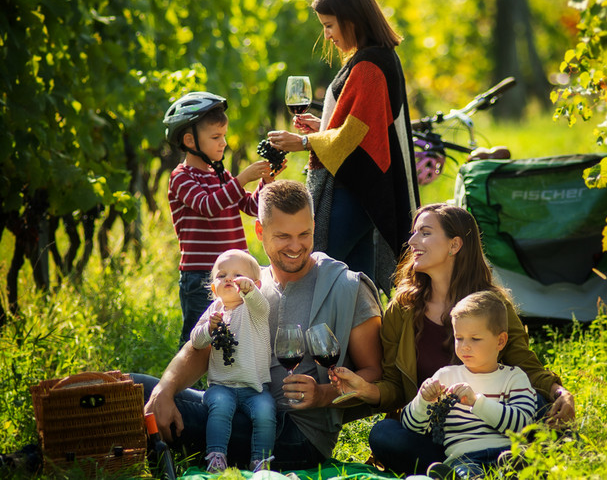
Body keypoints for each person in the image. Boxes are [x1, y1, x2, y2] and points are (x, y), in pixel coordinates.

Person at [138, 179, 383, 471]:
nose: (296, 246)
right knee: (141, 389)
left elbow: (374, 373)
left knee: (138, 398)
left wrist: (321, 395)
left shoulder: (345, 287)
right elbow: (199, 349)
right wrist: (164, 391)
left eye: (304, 234)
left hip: (295, 434)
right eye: (283, 236)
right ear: (260, 231)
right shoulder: (249, 286)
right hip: (236, 404)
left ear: (314, 226)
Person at [333, 203, 576, 475]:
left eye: (424, 233)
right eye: (414, 233)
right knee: (384, 434)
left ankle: (497, 462)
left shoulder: (492, 305)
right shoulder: (402, 309)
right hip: (441, 435)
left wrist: (560, 392)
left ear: (455, 245)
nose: (412, 241)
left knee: (543, 407)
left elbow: (526, 367)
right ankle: (466, 467)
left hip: (499, 425)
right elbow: (395, 386)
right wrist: (367, 390)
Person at [267, 0, 419, 292]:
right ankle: (359, 343)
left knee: (317, 270)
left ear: (350, 20)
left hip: (354, 189)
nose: (327, 35)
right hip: (367, 191)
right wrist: (323, 129)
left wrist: (305, 142)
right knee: (359, 285)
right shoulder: (380, 57)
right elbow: (363, 129)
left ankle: (308, 340)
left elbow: (353, 135)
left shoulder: (368, 66)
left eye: (329, 25)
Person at [164, 91, 274, 346]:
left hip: (234, 273)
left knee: (235, 334)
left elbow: (252, 206)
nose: (223, 143)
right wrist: (243, 178)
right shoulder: (181, 177)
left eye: (223, 136)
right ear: (190, 141)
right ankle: (185, 385)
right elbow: (207, 206)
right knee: (197, 339)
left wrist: (265, 182)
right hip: (202, 275)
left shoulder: (221, 176)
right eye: (215, 137)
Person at [402, 291, 538, 480]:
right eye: (459, 338)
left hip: (506, 452)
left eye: (475, 339)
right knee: (466, 472)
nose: (465, 346)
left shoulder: (513, 377)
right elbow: (413, 427)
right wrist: (423, 400)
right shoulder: (446, 376)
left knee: (515, 462)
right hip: (463, 457)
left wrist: (477, 402)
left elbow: (523, 424)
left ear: (500, 341)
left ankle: (512, 472)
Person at [189, 249, 275, 473]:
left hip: (255, 388)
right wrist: (209, 328)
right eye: (221, 275)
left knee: (266, 411)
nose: (229, 278)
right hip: (222, 386)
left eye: (238, 275)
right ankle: (216, 457)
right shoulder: (214, 311)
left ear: (255, 283)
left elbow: (261, 304)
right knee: (220, 408)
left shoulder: (253, 310)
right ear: (213, 287)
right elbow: (196, 341)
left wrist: (250, 291)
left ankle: (261, 461)